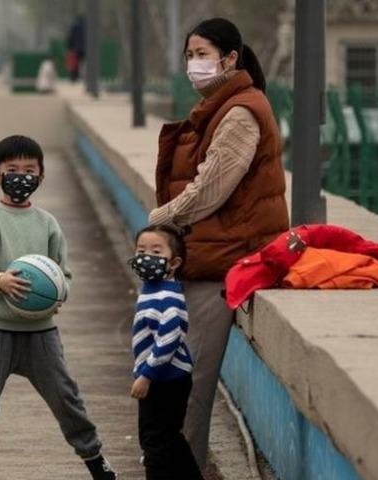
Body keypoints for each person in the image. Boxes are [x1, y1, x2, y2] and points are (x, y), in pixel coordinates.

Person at [148, 17, 290, 469]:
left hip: (223, 265)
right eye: (189, 55)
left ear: (230, 59)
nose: (194, 64)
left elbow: (211, 190)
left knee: (185, 392)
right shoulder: (219, 107)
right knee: (169, 384)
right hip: (206, 258)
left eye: (202, 54)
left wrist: (158, 220)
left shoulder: (241, 113)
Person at [0, 135, 116, 480]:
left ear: (41, 176)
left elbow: (63, 274)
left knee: (67, 400)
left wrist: (57, 294)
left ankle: (95, 459)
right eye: (12, 170)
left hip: (41, 334)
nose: (21, 176)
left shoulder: (48, 223)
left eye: (29, 170)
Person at [129, 224, 203, 480]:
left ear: (174, 263)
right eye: (141, 251)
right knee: (169, 436)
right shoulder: (152, 290)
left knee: (154, 441)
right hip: (166, 376)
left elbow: (170, 338)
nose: (146, 257)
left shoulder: (168, 297)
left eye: (156, 251)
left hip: (165, 378)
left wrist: (146, 374)